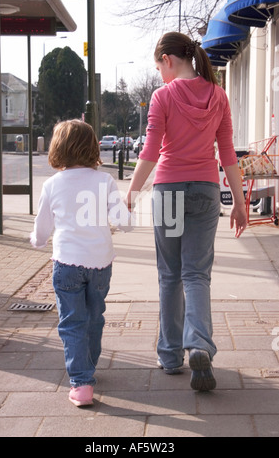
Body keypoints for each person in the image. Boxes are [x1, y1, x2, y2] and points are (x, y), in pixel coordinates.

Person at [126, 32, 247, 391]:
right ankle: (199, 345)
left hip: (169, 191)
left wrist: (131, 192)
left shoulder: (163, 96)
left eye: (159, 67)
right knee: (196, 275)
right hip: (206, 190)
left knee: (169, 275)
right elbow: (228, 155)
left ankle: (169, 355)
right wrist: (239, 203)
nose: (160, 75)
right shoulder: (218, 95)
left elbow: (150, 150)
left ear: (167, 59)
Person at [31, 119, 131, 406]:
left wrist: (36, 241)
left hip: (67, 264)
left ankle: (81, 382)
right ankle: (89, 364)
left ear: (57, 147)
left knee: (72, 322)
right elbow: (124, 224)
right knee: (94, 316)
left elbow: (43, 227)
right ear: (92, 147)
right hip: (100, 262)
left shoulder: (52, 184)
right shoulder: (105, 181)